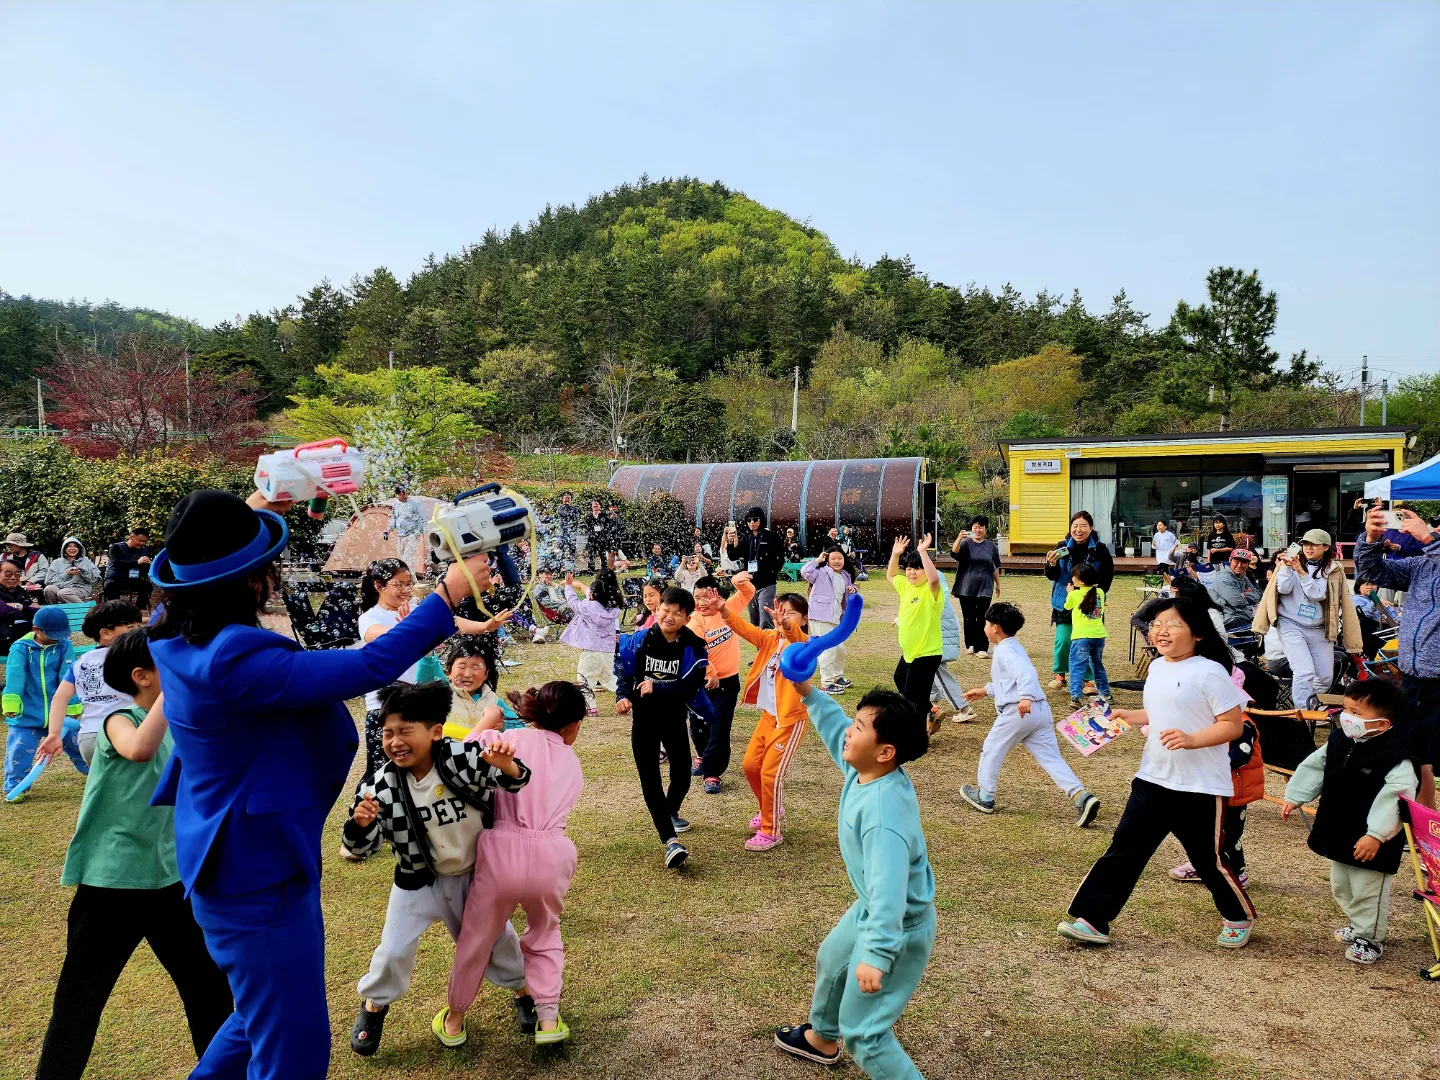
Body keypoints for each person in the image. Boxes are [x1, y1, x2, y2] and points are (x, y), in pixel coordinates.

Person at [144, 487, 500, 1080]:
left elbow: (202, 551)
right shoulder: (232, 657)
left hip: (249, 863)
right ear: (252, 578)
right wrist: (447, 595)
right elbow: (369, 667)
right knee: (296, 1053)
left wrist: (270, 497)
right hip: (254, 877)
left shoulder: (171, 629)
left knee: (261, 1017)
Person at [34, 629, 233, 1080]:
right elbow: (138, 749)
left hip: (169, 883)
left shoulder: (181, 730)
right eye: (171, 665)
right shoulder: (115, 719)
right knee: (79, 1003)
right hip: (111, 885)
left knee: (210, 995)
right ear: (141, 676)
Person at [341, 681, 532, 1055]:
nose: (395, 741)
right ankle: (374, 1004)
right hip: (416, 883)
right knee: (393, 951)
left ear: (435, 731)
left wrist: (505, 762)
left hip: (475, 880)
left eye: (404, 731)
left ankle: (523, 991)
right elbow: (359, 847)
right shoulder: (380, 785)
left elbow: (516, 780)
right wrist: (359, 825)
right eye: (387, 733)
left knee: (498, 940)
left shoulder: (461, 759)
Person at [1058, 597, 1255, 949]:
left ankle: (1237, 915)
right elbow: (1157, 713)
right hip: (1152, 778)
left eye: (1173, 624)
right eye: (1156, 624)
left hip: (1199, 787)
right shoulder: (1159, 667)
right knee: (1124, 851)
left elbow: (1233, 725)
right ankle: (1093, 920)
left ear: (1197, 633)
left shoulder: (1210, 672)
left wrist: (1193, 739)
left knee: (1207, 861)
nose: (1161, 631)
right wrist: (1126, 715)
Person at [774, 682, 933, 1078]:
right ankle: (821, 1038)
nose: (849, 729)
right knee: (834, 958)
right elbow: (834, 729)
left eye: (859, 726)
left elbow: (890, 894)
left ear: (885, 752)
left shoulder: (883, 816)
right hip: (871, 906)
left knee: (864, 1033)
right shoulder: (866, 770)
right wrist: (809, 692)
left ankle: (845, 1036)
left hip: (897, 925)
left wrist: (877, 955)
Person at [448, 681, 587, 1045]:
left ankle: (455, 1020)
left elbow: (457, 757)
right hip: (552, 856)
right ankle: (548, 1021)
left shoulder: (508, 741)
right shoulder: (573, 763)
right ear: (573, 726)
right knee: (545, 933)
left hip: (501, 853)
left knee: (476, 938)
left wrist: (486, 724)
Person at [1280, 678, 1417, 965]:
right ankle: (1357, 925)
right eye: (1346, 709)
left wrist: (1377, 834)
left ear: (1382, 724)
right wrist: (1296, 796)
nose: (1347, 717)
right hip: (1340, 828)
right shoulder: (1341, 739)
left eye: (1356, 712)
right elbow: (1316, 766)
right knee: (1342, 884)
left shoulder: (1396, 756)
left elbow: (1397, 797)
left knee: (1369, 890)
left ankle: (1370, 939)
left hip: (1373, 839)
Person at [959, 603, 1100, 826]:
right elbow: (1010, 680)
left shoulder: (1005, 650)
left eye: (986, 623)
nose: (985, 627)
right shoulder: (1012, 646)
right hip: (1040, 711)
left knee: (992, 748)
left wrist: (1025, 697)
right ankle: (1081, 795)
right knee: (1050, 757)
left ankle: (985, 796)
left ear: (995, 628)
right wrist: (987, 690)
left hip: (1020, 710)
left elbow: (1025, 673)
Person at [615, 587, 711, 867]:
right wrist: (622, 695)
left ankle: (668, 812)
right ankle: (669, 840)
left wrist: (658, 687)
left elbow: (690, 685)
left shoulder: (692, 647)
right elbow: (623, 668)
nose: (669, 617)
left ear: (686, 617)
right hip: (644, 721)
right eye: (665, 610)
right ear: (657, 610)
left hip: (674, 719)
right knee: (650, 779)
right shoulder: (640, 641)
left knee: (682, 773)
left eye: (677, 613)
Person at [1356, 504, 1439, 810]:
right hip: (1415, 676)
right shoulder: (1422, 566)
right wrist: (1372, 538)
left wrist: (1430, 539)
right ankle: (1421, 820)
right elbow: (1374, 571)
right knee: (1412, 753)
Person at [724, 578, 811, 851]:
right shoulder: (770, 639)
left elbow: (795, 636)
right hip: (768, 717)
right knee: (750, 766)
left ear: (804, 619)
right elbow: (745, 628)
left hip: (789, 720)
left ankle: (771, 830)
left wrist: (787, 626)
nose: (782, 616)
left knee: (771, 774)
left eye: (790, 612)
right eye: (779, 610)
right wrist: (723, 610)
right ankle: (770, 808)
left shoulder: (805, 645)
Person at [1169, 666, 1264, 889]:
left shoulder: (1243, 726)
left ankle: (1237, 872)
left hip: (1233, 792)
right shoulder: (1207, 722)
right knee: (1201, 832)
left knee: (1228, 836)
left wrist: (1209, 762)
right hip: (1208, 787)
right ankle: (1201, 864)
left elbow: (1241, 755)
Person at [1251, 528, 1361, 711]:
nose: (1309, 548)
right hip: (1290, 624)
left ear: (1326, 547)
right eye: (1306, 544)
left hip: (1319, 627)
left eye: (1315, 544)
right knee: (1304, 671)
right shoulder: (1289, 564)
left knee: (1325, 675)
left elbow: (1318, 594)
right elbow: (1283, 589)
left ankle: (1312, 705)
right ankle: (1302, 713)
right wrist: (1287, 567)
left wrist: (1301, 572)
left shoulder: (1333, 568)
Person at [38, 601, 142, 766]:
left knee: (103, 787)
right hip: (124, 732)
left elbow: (59, 698)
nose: (138, 632)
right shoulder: (134, 658)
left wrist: (54, 734)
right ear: (105, 633)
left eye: (139, 626)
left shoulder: (80, 663)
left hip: (88, 737)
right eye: (131, 628)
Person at [4, 605, 87, 796]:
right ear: (36, 630)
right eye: (52, 634)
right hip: (27, 715)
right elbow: (15, 676)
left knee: (79, 745)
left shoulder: (64, 645)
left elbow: (68, 676)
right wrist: (11, 703)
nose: (57, 638)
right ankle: (15, 787)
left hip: (58, 716)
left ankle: (97, 776)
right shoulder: (20, 648)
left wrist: (72, 704)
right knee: (18, 751)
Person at [357, 558, 419, 779]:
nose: (405, 590)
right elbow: (381, 635)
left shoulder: (414, 610)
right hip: (382, 706)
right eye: (398, 584)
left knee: (412, 768)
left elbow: (451, 621)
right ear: (379, 585)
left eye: (408, 584)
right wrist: (409, 627)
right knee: (380, 771)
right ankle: (363, 812)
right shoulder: (369, 617)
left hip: (413, 700)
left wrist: (485, 625)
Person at [688, 575, 747, 793]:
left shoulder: (727, 610)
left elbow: (748, 593)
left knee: (720, 727)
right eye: (697, 598)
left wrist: (739, 582)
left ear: (717, 596)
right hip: (700, 681)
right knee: (697, 724)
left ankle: (712, 772)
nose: (701, 603)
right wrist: (710, 672)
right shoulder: (695, 620)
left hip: (728, 681)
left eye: (706, 597)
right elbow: (696, 649)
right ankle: (702, 755)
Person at [1043, 512, 1114, 692]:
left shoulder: (1101, 550)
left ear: (1090, 528)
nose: (1078, 530)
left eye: (1083, 526)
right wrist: (1050, 565)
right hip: (1064, 601)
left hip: (1089, 603)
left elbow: (1107, 577)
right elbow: (1052, 576)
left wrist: (1098, 596)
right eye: (1075, 526)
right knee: (1063, 640)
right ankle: (1060, 675)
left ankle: (1087, 681)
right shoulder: (1061, 548)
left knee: (1088, 641)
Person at [888, 534, 945, 715]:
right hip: (910, 652)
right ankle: (931, 711)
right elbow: (891, 575)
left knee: (913, 699)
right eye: (909, 568)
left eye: (917, 569)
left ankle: (918, 737)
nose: (912, 572)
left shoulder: (932, 590)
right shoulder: (906, 586)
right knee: (900, 678)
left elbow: (934, 579)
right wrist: (895, 554)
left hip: (927, 653)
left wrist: (923, 553)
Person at [560, 569, 623, 714]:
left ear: (593, 594)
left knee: (584, 678)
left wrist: (568, 586)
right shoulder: (613, 607)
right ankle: (630, 695)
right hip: (608, 649)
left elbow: (573, 602)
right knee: (609, 677)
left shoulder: (587, 606)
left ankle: (590, 707)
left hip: (592, 650)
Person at [801, 546, 854, 694]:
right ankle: (826, 683)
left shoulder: (845, 575)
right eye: (833, 558)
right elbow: (805, 572)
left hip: (837, 618)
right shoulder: (820, 572)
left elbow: (848, 597)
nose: (837, 561)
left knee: (839, 649)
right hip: (820, 616)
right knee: (827, 650)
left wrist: (853, 591)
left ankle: (837, 677)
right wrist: (817, 560)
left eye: (840, 558)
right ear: (827, 560)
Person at [950, 515, 1002, 657]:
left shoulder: (991, 546)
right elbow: (954, 553)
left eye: (981, 527)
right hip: (966, 587)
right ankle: (970, 645)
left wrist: (998, 584)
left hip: (985, 586)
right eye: (975, 527)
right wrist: (959, 538)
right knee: (969, 617)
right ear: (971, 528)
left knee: (983, 617)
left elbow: (995, 566)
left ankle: (982, 648)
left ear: (985, 529)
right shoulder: (966, 544)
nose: (978, 530)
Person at [443, 636, 518, 734]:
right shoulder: (441, 696)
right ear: (449, 672)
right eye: (462, 667)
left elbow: (519, 726)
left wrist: (503, 725)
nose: (468, 674)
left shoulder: (492, 700)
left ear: (486, 674)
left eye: (476, 668)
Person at [726, 506, 785, 628]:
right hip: (750, 584)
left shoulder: (771, 537)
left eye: (755, 519)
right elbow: (733, 556)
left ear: (761, 519)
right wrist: (730, 543)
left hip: (766, 583)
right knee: (754, 620)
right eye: (749, 520)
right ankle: (760, 647)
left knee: (765, 620)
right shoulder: (746, 538)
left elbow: (780, 557)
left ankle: (770, 646)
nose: (752, 522)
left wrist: (772, 573)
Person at [1206, 548, 1262, 629]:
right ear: (1230, 560)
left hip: (1245, 616)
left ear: (1248, 563)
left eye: (1243, 562)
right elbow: (1237, 601)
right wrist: (1246, 595)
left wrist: (1244, 595)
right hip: (1230, 620)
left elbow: (1257, 596)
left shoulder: (1242, 576)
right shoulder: (1224, 578)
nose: (1239, 565)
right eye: (1236, 561)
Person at [103, 527, 152, 607]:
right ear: (131, 537)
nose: (142, 543)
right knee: (110, 586)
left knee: (147, 586)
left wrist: (148, 565)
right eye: (139, 540)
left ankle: (139, 610)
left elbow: (144, 570)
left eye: (144, 541)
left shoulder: (144, 550)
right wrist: (137, 562)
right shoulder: (116, 547)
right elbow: (117, 564)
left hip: (132, 579)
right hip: (114, 579)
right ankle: (115, 611)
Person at [0, 557, 41, 652]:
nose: (13, 578)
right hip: (4, 640)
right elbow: (4, 611)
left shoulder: (21, 592)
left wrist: (19, 606)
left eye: (17, 574)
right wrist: (27, 610)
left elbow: (38, 613)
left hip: (24, 637)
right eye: (8, 573)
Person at [42, 537, 100, 604]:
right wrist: (67, 574)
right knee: (48, 589)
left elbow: (94, 579)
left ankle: (85, 609)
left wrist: (84, 572)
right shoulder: (56, 562)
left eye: (75, 546)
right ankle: (55, 611)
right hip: (61, 587)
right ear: (64, 549)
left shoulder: (86, 561)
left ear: (79, 549)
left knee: (63, 593)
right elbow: (48, 581)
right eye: (69, 546)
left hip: (80, 589)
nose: (72, 549)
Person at [380, 486, 427, 570]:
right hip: (400, 535)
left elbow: (422, 518)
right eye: (397, 494)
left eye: (400, 494)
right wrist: (388, 530)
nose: (398, 496)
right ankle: (412, 580)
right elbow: (394, 519)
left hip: (412, 534)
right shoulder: (396, 505)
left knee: (407, 559)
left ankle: (410, 580)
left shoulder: (415, 504)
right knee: (401, 560)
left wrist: (418, 533)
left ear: (405, 493)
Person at [555, 492, 579, 569]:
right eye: (565, 498)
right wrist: (571, 515)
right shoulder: (560, 508)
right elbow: (564, 514)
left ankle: (571, 567)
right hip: (562, 532)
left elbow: (576, 518)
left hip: (572, 532)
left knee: (572, 549)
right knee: (562, 549)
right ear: (562, 499)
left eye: (568, 498)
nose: (567, 499)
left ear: (571, 499)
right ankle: (561, 567)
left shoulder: (574, 508)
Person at [583, 499, 608, 573]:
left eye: (597, 505)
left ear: (600, 506)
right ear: (591, 507)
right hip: (592, 538)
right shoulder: (589, 516)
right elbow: (587, 527)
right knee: (591, 554)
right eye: (594, 505)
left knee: (602, 554)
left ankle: (604, 569)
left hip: (601, 538)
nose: (595, 506)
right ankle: (591, 569)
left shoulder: (604, 515)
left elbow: (607, 526)